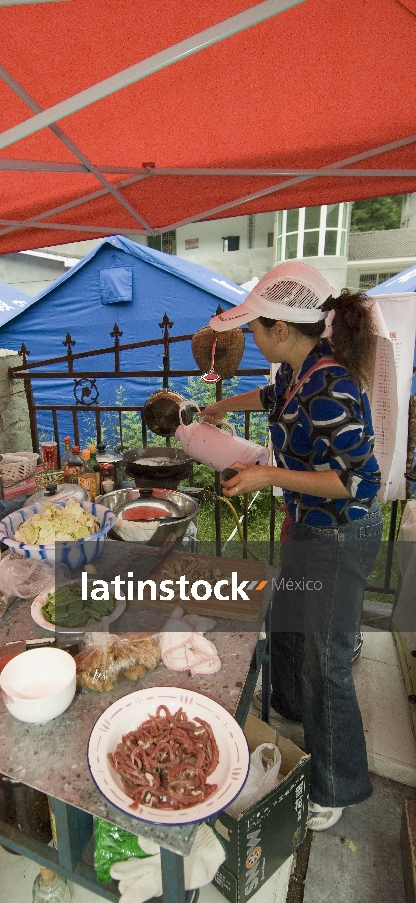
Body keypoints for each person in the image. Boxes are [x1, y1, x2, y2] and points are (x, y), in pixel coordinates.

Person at [203, 261, 383, 832]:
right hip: (310, 525)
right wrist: (221, 408)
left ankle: (337, 784)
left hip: (339, 532)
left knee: (326, 659)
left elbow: (354, 481)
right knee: (287, 623)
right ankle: (290, 709)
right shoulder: (299, 371)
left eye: (256, 328)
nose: (250, 338)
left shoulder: (333, 387)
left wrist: (268, 477)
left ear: (282, 329)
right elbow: (271, 398)